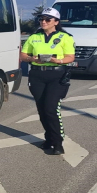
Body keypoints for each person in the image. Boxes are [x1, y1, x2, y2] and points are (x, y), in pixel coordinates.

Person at [19, 8, 76, 155]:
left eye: (47, 19)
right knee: (42, 110)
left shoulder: (65, 37)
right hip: (37, 76)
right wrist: (32, 59)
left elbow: (70, 57)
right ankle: (49, 138)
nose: (43, 22)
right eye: (41, 19)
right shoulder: (34, 37)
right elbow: (23, 55)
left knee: (51, 109)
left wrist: (58, 60)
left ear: (56, 22)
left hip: (57, 76)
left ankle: (58, 142)